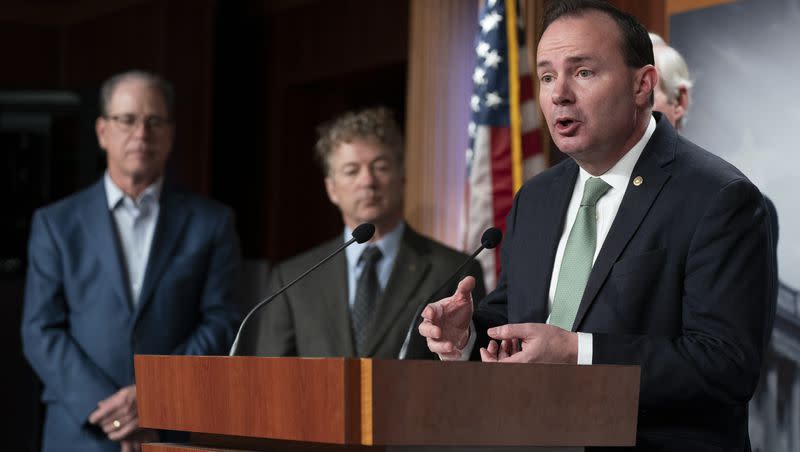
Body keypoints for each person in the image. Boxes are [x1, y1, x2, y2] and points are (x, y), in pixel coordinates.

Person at [419, 1, 774, 450]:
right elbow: (519, 315)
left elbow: (725, 365)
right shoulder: (537, 198)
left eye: (582, 72)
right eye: (547, 76)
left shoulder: (718, 197)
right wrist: (469, 335)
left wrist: (577, 354)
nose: (558, 94)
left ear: (643, 84)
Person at [21, 70, 242, 452]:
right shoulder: (56, 224)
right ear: (103, 131)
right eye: (127, 120)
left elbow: (222, 320)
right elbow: (40, 331)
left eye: (154, 121)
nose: (141, 134)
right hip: (83, 430)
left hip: (176, 428)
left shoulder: (212, 223)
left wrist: (154, 396)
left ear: (171, 134)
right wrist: (114, 410)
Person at [244, 107, 484, 359]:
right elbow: (272, 379)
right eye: (351, 170)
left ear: (402, 176)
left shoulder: (455, 271)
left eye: (380, 167)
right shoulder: (293, 279)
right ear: (331, 188)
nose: (368, 181)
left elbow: (474, 374)